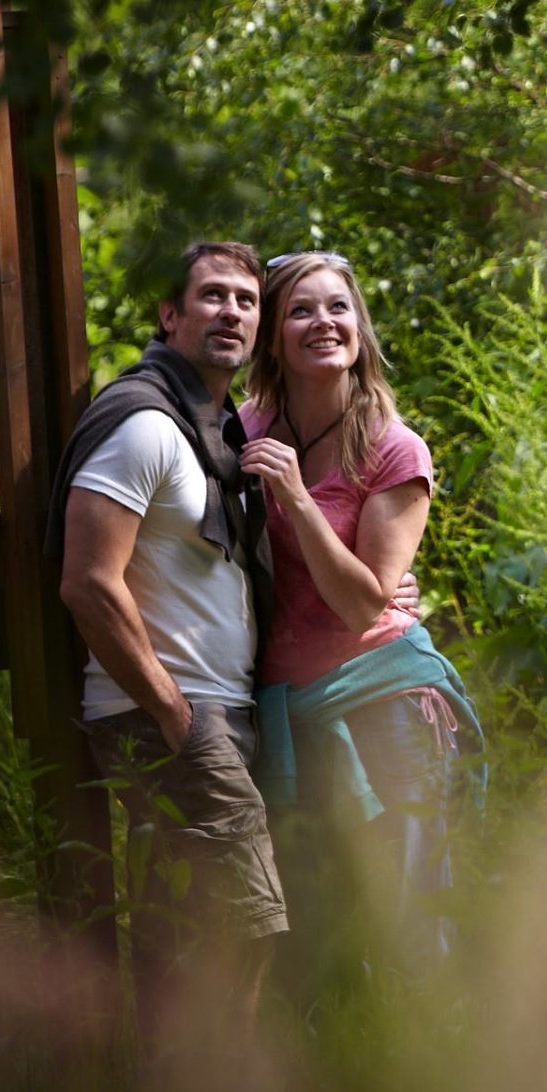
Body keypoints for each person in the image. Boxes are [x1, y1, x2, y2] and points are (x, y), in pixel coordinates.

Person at [48, 239, 282, 1034]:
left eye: (247, 301)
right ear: (170, 313)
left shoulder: (219, 431)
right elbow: (86, 579)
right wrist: (174, 714)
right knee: (248, 926)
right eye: (213, 296)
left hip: (210, 710)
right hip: (172, 716)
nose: (233, 313)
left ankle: (171, 1085)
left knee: (177, 931)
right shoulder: (143, 423)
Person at [236, 250, 481, 980]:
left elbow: (361, 600)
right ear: (273, 333)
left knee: (409, 919)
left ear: (360, 326)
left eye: (338, 307)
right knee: (316, 926)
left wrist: (298, 498)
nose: (323, 322)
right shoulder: (243, 426)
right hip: (285, 711)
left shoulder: (391, 447)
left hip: (385, 707)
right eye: (301, 310)